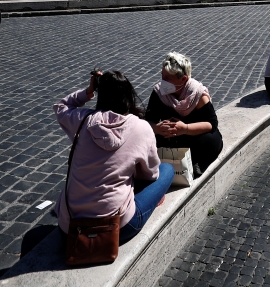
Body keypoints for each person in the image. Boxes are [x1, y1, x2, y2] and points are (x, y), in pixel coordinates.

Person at [54, 70, 173, 245]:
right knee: (167, 169)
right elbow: (150, 175)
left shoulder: (82, 120)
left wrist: (89, 90)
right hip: (116, 228)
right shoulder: (141, 128)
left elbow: (61, 107)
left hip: (69, 227)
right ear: (129, 96)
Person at [145, 53, 222, 177]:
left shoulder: (197, 94)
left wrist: (185, 129)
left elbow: (212, 124)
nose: (163, 81)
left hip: (192, 137)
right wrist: (157, 128)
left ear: (183, 79)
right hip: (169, 138)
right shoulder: (159, 92)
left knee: (212, 140)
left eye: (168, 78)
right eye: (162, 76)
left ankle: (197, 164)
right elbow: (148, 121)